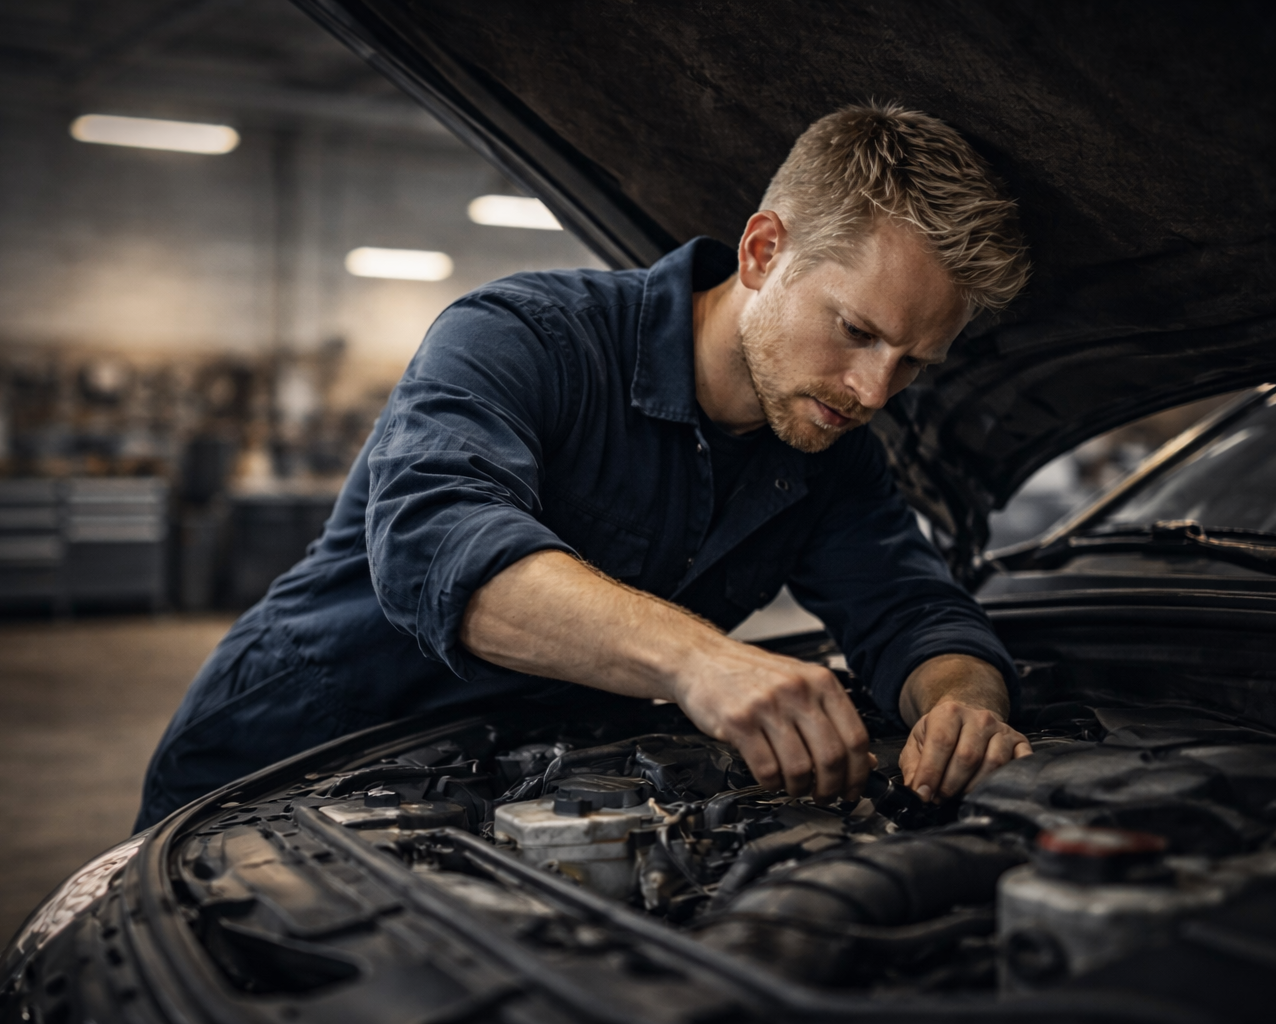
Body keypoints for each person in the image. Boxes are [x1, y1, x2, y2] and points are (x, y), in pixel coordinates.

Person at [135, 101, 1033, 831]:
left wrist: (962, 704)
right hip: (282, 767)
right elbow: (437, 541)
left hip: (506, 796)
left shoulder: (829, 447)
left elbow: (912, 608)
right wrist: (699, 662)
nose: (877, 390)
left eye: (914, 362)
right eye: (857, 331)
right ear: (764, 253)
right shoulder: (527, 337)